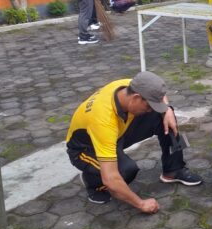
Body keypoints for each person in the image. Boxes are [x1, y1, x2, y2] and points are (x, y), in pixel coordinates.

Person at [65, 71, 203, 211]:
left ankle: (173, 170)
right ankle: (92, 182)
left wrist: (167, 111)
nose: (150, 110)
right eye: (148, 106)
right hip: (85, 149)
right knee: (125, 171)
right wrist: (141, 204)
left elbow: (157, 93)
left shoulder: (129, 86)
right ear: (136, 98)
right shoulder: (102, 120)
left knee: (164, 119)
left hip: (118, 133)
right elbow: (111, 178)